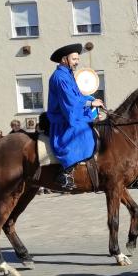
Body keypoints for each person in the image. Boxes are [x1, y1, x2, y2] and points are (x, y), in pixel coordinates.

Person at [46, 43, 105, 190]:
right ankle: (64, 172)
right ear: (64, 59)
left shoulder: (68, 75)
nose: (77, 62)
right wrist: (90, 104)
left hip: (71, 115)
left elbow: (78, 96)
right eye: (74, 59)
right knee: (83, 133)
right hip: (63, 120)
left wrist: (92, 100)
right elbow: (70, 102)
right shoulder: (60, 77)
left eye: (77, 59)